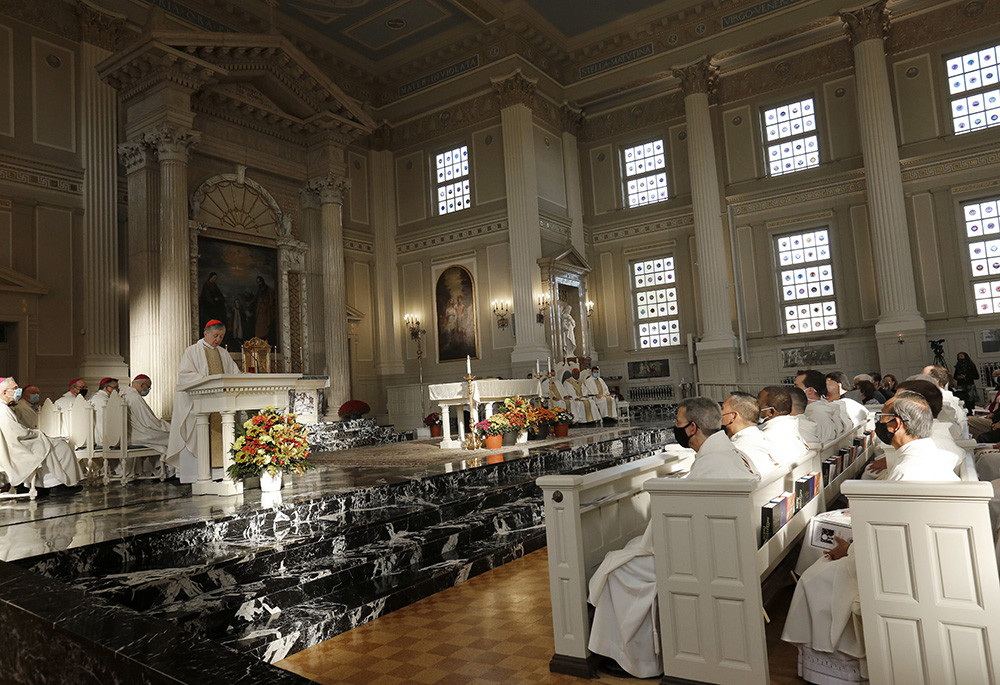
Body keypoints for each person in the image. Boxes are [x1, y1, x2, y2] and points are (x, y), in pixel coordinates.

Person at [782, 393, 959, 674]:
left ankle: (835, 670)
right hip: (927, 560)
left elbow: (890, 546)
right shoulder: (924, 457)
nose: (879, 424)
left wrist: (849, 550)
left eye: (882, 418)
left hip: (903, 573)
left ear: (896, 425)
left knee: (815, 577)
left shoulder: (908, 471)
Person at [587, 397, 759, 678]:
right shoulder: (729, 453)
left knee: (619, 570)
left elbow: (669, 533)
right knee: (626, 555)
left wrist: (642, 545)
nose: (675, 428)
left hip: (710, 557)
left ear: (692, 428)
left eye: (678, 423)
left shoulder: (713, 463)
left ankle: (634, 659)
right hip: (725, 542)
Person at [166, 319, 241, 483]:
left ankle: (220, 473)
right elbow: (185, 375)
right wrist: (208, 382)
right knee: (197, 435)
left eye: (221, 337)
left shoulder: (223, 353)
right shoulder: (192, 351)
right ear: (205, 333)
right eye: (215, 336)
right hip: (199, 404)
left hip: (220, 405)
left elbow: (234, 374)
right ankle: (194, 474)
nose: (218, 340)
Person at [0, 377, 83, 490]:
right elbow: (17, 433)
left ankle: (47, 483)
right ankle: (57, 484)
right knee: (62, 447)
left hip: (14, 445)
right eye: (15, 388)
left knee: (55, 445)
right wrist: (37, 434)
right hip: (16, 448)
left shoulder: (4, 407)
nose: (18, 390)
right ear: (5, 392)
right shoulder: (2, 409)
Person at [120, 375, 171, 476]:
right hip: (139, 435)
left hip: (132, 434)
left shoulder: (125, 395)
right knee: (173, 437)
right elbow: (150, 422)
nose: (148, 390)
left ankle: (158, 469)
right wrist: (168, 427)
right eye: (148, 387)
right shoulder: (135, 398)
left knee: (167, 438)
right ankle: (171, 470)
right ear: (142, 385)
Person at [723, 391, 779, 476]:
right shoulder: (767, 439)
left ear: (733, 416)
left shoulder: (733, 451)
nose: (720, 413)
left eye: (722, 409)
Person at [758, 386, 810, 466]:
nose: (755, 409)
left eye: (758, 406)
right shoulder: (792, 427)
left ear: (770, 412)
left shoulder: (766, 439)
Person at [795, 369, 847, 443]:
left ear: (810, 390)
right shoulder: (826, 408)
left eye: (796, 386)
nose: (794, 391)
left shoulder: (816, 415)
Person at [89, 377, 119, 445]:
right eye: (115, 388)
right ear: (106, 388)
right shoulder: (103, 400)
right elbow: (107, 422)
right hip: (104, 440)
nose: (117, 390)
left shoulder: (95, 397)